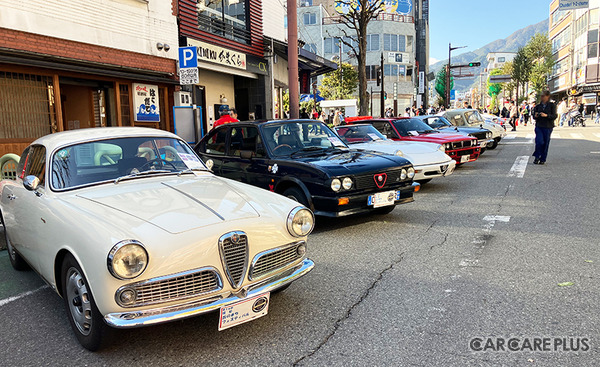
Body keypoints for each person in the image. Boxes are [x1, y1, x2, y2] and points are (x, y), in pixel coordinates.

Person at [532, 91, 557, 165]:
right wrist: (536, 115)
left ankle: (543, 158)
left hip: (548, 126)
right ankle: (537, 156)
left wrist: (546, 115)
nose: (542, 97)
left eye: (543, 96)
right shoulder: (538, 106)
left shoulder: (552, 105)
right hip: (539, 126)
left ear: (548, 97)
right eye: (541, 96)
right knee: (539, 141)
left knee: (545, 142)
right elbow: (534, 116)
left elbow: (554, 116)